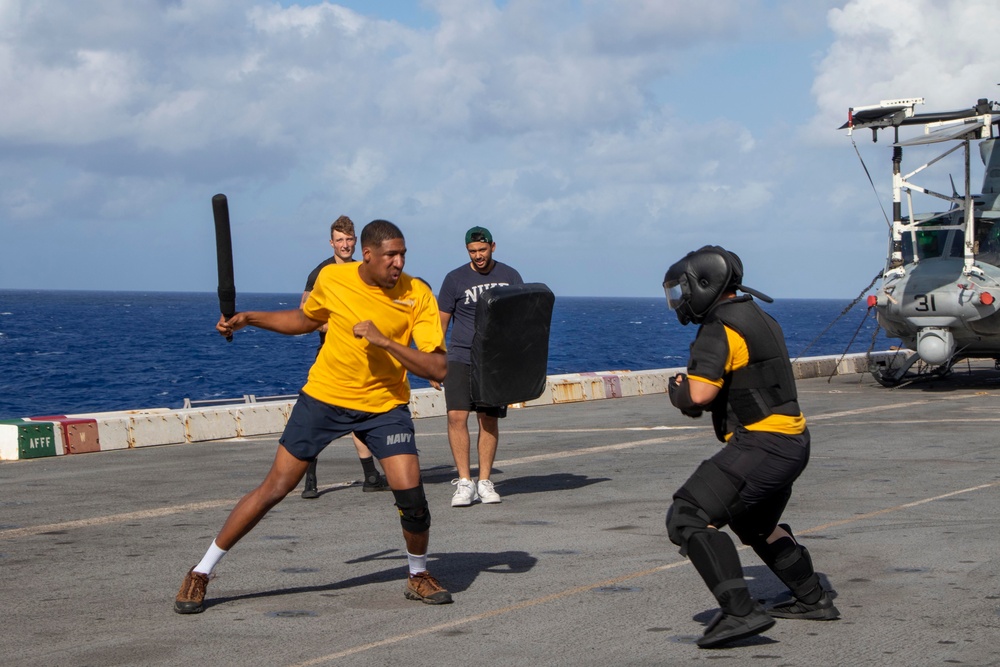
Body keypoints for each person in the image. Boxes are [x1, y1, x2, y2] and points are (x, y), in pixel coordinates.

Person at [174, 219, 452, 614]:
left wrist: (385, 341)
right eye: (391, 254)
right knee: (275, 487)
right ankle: (201, 573)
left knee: (413, 498)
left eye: (403, 254)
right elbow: (306, 320)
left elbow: (437, 369)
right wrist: (251, 317)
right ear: (368, 254)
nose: (398, 262)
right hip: (324, 397)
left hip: (384, 406)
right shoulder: (333, 278)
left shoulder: (418, 294)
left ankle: (418, 575)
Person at [661, 245, 839, 649]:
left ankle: (740, 611)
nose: (679, 301)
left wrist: (678, 392)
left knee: (687, 517)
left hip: (764, 444)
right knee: (755, 524)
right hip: (793, 441)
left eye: (681, 291)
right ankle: (813, 598)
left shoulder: (719, 326)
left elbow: (701, 393)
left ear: (703, 284)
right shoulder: (759, 316)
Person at [299, 215, 388, 498]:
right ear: (332, 242)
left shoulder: (363, 270)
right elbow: (306, 313)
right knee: (317, 417)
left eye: (350, 240)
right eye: (340, 240)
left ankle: (370, 475)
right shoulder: (321, 273)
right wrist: (337, 322)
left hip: (361, 355)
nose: (345, 245)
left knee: (360, 414)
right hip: (330, 355)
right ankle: (310, 479)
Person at [436, 226, 523, 507]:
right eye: (473, 251)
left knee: (488, 419)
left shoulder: (510, 276)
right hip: (460, 356)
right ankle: (464, 482)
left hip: (494, 360)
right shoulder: (454, 279)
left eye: (482, 250)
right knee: (456, 417)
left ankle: (484, 481)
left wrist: (518, 361)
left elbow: (521, 319)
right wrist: (436, 359)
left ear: (493, 247)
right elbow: (441, 322)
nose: (478, 256)